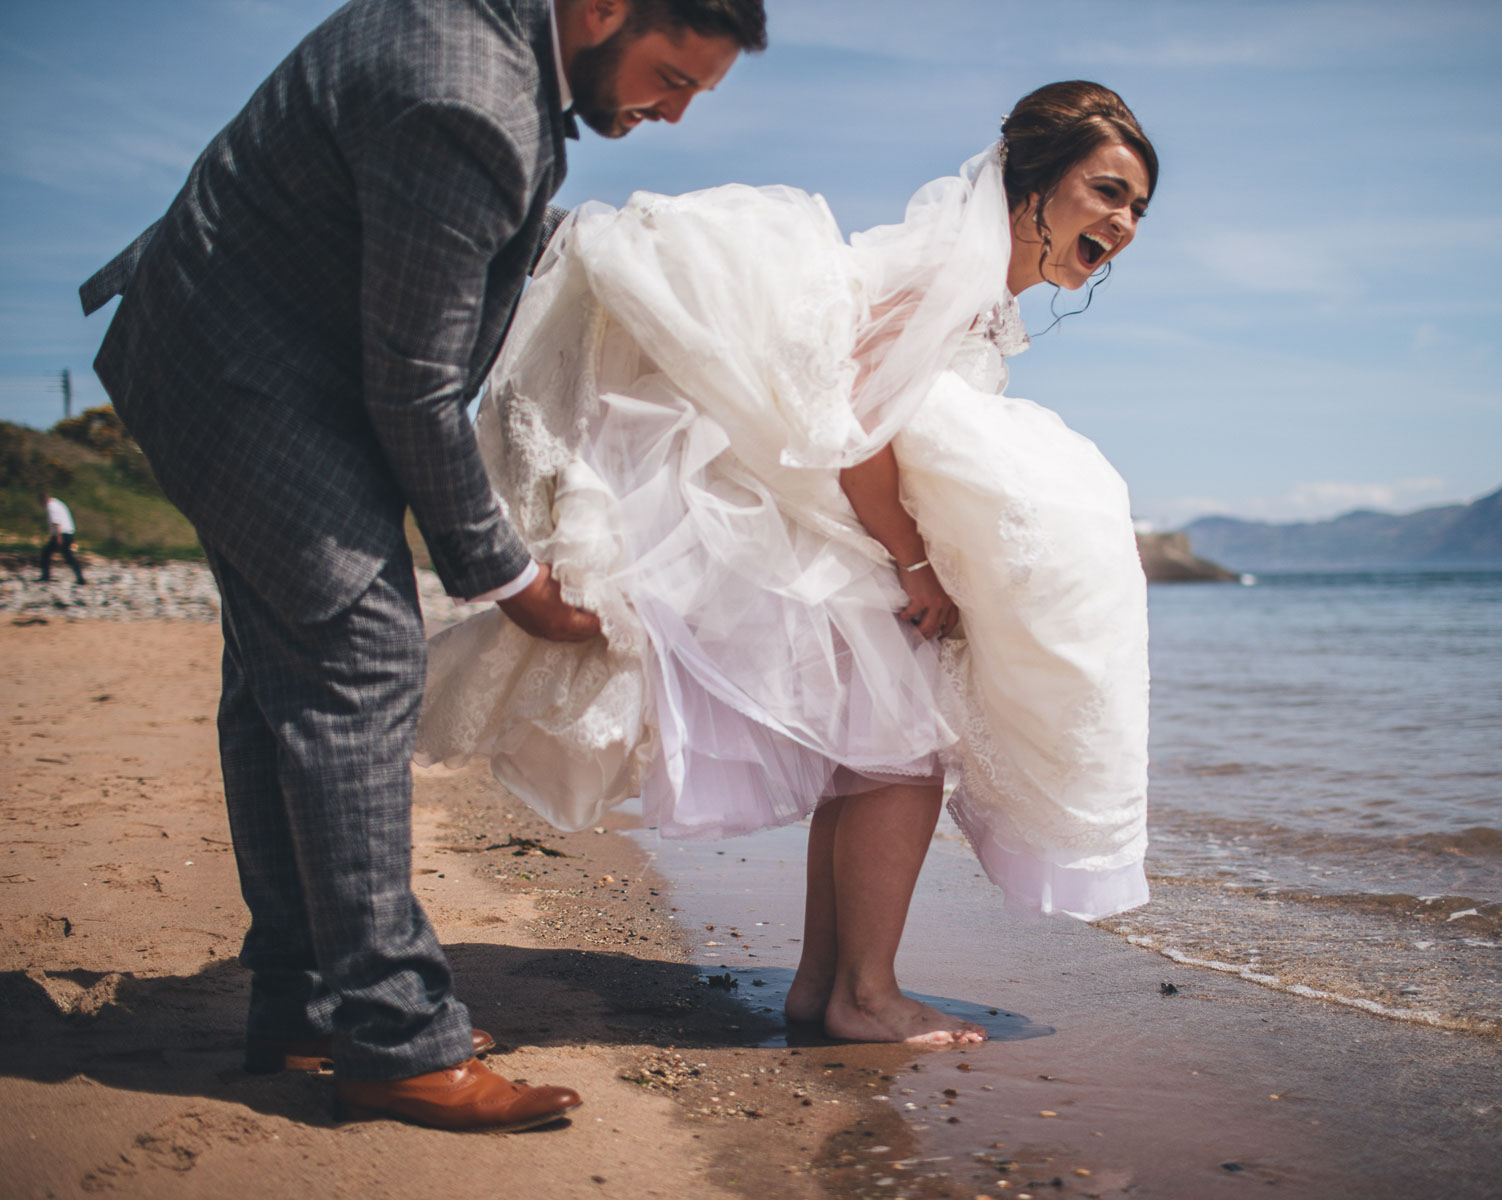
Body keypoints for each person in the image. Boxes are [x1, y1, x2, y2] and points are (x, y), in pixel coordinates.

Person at [76, 0, 766, 1132]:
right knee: (357, 666)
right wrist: (512, 581)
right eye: (672, 76)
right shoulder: (470, 93)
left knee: (280, 685)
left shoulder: (492, 48)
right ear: (602, 10)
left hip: (239, 349)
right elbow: (413, 385)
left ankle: (305, 1009)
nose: (676, 111)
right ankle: (395, 1039)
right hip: (248, 375)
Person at [418, 80, 1156, 1046]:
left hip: (841, 527)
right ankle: (866, 994)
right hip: (825, 526)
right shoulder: (953, 273)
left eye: (1137, 207)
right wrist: (915, 564)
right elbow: (854, 421)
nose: (1123, 221)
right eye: (1106, 191)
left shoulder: (979, 287)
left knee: (875, 759)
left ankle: (826, 987)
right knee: (901, 762)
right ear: (1034, 185)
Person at [37, 492, 85, 585]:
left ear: (43, 500)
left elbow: (56, 522)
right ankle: (80, 578)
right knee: (68, 556)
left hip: (61, 534)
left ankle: (45, 576)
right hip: (69, 533)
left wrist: (58, 538)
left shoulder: (51, 507)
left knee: (46, 553)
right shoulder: (58, 503)